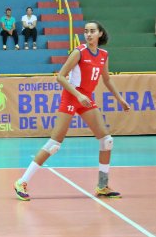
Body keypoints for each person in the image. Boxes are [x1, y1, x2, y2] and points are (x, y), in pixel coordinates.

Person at [14, 21, 131, 201]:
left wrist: (120, 99)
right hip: (71, 96)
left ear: (100, 34)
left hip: (86, 99)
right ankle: (21, 181)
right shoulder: (79, 52)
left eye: (92, 31)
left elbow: (107, 80)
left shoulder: (103, 55)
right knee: (55, 144)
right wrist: (78, 95)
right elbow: (60, 77)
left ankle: (102, 185)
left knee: (106, 141)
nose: (88, 34)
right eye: (86, 31)